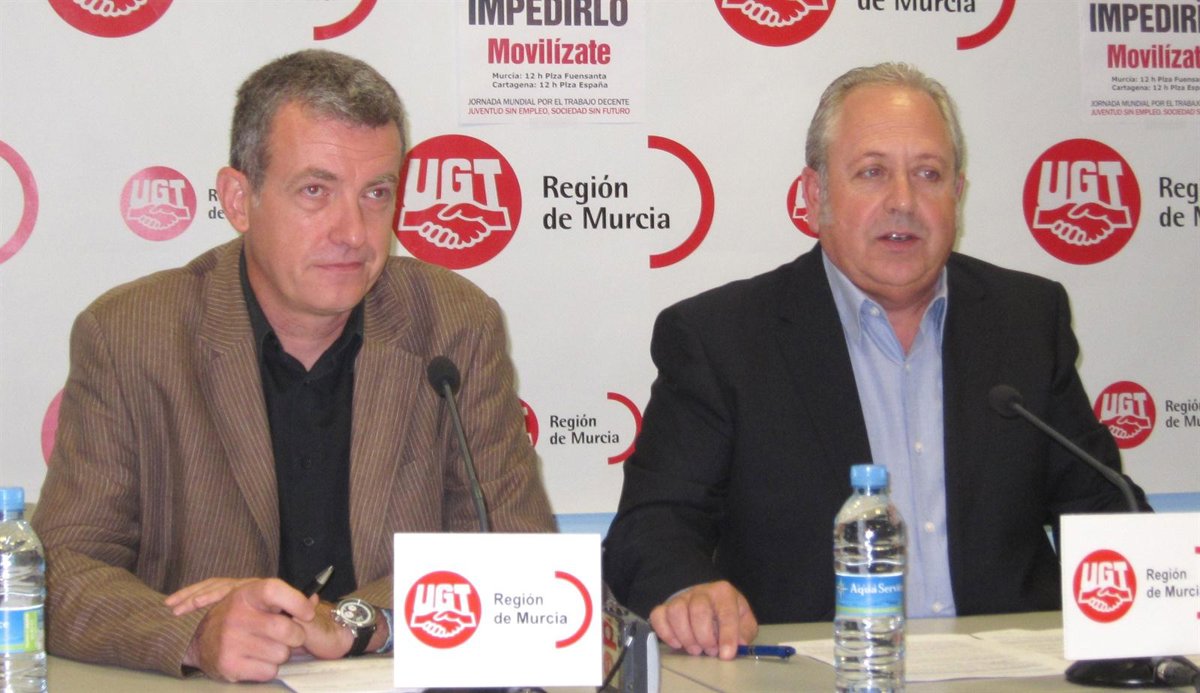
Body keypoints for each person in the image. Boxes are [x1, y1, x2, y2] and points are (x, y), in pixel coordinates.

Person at [32, 49, 554, 682]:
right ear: (239, 199)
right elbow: (59, 572)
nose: (354, 232)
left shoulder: (454, 324)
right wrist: (196, 634)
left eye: (376, 194)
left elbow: (519, 565)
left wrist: (355, 620)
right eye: (315, 191)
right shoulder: (132, 335)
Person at [601, 62, 1148, 661]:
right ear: (816, 195)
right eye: (872, 172)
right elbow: (651, 527)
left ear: (957, 194)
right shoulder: (722, 338)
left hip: (1011, 671)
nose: (903, 201)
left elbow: (1104, 508)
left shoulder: (1026, 320)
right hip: (813, 675)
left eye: (928, 174)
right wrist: (688, 590)